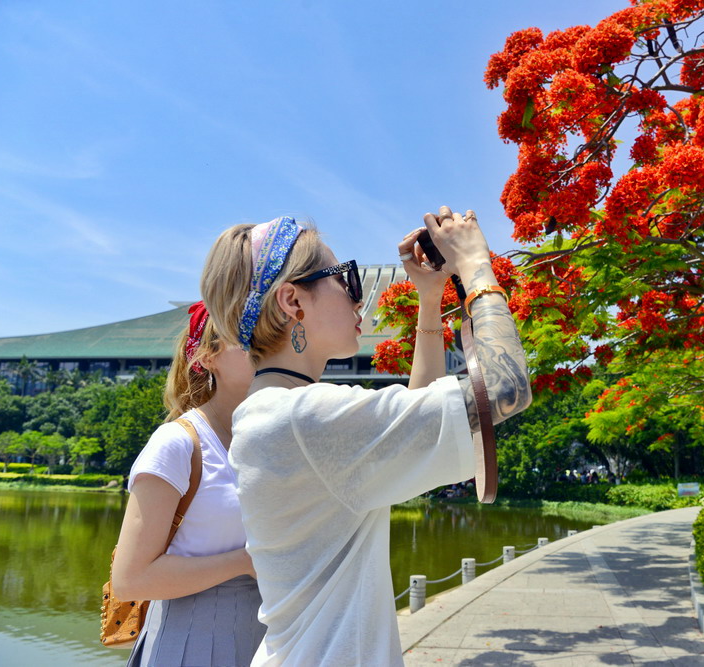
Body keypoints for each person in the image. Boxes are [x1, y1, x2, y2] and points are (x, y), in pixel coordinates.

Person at [200, 208, 532, 665]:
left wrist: (430, 299)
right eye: (346, 280)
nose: (359, 299)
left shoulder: (276, 415)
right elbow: (505, 389)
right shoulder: (306, 419)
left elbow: (413, 425)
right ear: (293, 302)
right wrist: (476, 265)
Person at [113, 302, 265, 666]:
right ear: (208, 357)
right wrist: (245, 562)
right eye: (248, 337)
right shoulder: (178, 442)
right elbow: (130, 580)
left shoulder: (269, 441)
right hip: (193, 639)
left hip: (268, 636)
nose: (264, 345)